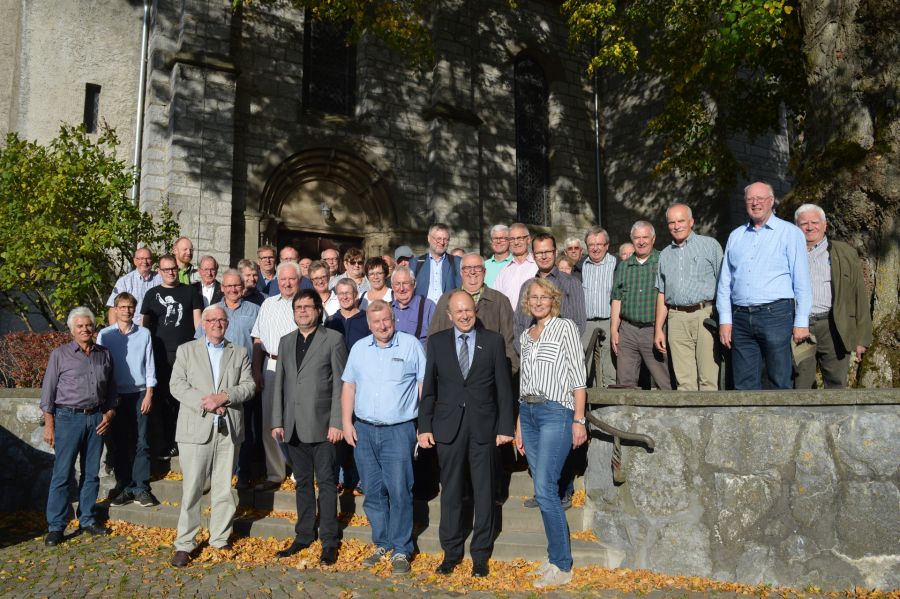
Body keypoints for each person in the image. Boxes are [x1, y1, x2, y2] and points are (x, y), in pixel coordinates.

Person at [418, 291, 515, 578]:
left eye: (468, 311)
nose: (464, 315)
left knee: (484, 492)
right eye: (458, 311)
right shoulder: (437, 343)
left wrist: (505, 428)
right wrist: (425, 426)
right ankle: (451, 551)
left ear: (475, 311)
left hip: (483, 428)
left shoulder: (493, 342)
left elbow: (504, 390)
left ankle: (481, 554)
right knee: (451, 492)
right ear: (449, 315)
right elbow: (429, 389)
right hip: (448, 428)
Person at [341, 300, 426, 574]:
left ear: (394, 319)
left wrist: (423, 424)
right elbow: (349, 387)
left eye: (386, 320)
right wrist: (346, 422)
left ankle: (402, 548)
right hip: (364, 430)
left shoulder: (411, 345)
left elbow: (424, 386)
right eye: (376, 322)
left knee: (400, 490)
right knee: (373, 492)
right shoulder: (359, 349)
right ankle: (383, 542)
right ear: (369, 324)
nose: (382, 326)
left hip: (398, 430)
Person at [169, 305, 256, 567]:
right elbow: (177, 385)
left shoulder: (239, 352)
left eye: (222, 320)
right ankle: (185, 543)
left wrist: (225, 397)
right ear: (203, 324)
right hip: (196, 427)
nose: (218, 324)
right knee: (193, 488)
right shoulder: (187, 350)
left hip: (228, 429)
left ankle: (220, 537)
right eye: (212, 320)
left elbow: (249, 386)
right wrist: (206, 401)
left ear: (227, 324)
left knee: (223, 488)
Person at [514, 279, 588, 588]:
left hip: (556, 411)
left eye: (544, 297)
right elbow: (524, 382)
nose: (539, 301)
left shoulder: (566, 328)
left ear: (553, 300)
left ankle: (563, 566)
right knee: (542, 487)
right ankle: (553, 556)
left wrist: (579, 420)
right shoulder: (525, 336)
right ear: (526, 301)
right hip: (528, 414)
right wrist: (519, 424)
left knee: (545, 488)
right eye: (534, 297)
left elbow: (578, 377)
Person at [271, 290, 348, 565]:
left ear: (318, 310)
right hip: (292, 427)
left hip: (324, 426)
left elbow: (341, 383)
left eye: (307, 307)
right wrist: (277, 420)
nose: (302, 311)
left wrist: (338, 422)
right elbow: (279, 383)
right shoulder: (286, 341)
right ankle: (304, 535)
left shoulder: (334, 340)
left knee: (326, 483)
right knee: (303, 483)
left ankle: (329, 540)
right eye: (298, 307)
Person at [716, 182, 811, 390]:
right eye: (750, 199)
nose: (755, 203)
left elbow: (802, 280)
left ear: (771, 201)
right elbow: (725, 283)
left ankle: (781, 422)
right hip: (740, 317)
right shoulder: (736, 236)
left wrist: (801, 321)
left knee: (779, 378)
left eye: (760, 198)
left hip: (776, 314)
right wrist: (725, 320)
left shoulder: (790, 233)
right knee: (743, 383)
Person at [41, 307, 117, 547]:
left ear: (94, 328)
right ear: (72, 330)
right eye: (80, 326)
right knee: (62, 474)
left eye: (88, 325)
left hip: (96, 419)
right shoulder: (60, 355)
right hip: (67, 419)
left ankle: (87, 519)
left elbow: (112, 390)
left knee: (91, 474)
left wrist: (110, 413)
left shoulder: (104, 354)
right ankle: (56, 526)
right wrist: (49, 425)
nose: (85, 329)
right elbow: (48, 393)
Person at [793, 204, 873, 388]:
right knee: (801, 384)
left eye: (815, 222)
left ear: (825, 225)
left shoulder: (844, 252)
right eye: (804, 223)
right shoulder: (789, 252)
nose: (810, 227)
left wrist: (861, 338)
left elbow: (858, 295)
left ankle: (836, 418)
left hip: (834, 326)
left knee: (836, 383)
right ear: (796, 227)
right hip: (800, 327)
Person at [196, 269, 261, 489]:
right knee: (213, 427)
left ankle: (242, 474)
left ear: (242, 288)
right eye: (229, 285)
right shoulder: (212, 311)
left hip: (243, 378)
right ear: (222, 288)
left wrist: (258, 372)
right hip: (214, 379)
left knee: (244, 430)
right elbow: (199, 342)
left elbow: (259, 343)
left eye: (237, 285)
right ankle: (210, 475)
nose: (233, 289)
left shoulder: (254, 310)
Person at [653, 204, 723, 391]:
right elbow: (662, 292)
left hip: (705, 314)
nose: (676, 226)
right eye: (672, 222)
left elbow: (724, 284)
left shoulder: (710, 246)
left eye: (681, 221)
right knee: (684, 382)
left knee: (708, 378)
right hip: (676, 318)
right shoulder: (665, 254)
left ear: (691, 222)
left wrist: (725, 320)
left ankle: (709, 420)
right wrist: (659, 328)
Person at [99, 293, 159, 508]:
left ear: (135, 309)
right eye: (122, 307)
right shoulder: (105, 335)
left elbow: (150, 364)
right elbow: (100, 366)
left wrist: (150, 393)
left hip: (140, 392)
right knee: (121, 442)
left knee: (141, 441)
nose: (126, 311)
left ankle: (141, 488)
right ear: (115, 309)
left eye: (130, 307)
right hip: (116, 395)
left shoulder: (144, 334)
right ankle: (125, 486)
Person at [141, 254, 203, 458]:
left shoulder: (190, 292)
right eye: (166, 269)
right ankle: (162, 443)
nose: (171, 272)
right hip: (159, 355)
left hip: (184, 355)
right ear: (159, 272)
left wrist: (200, 350)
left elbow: (198, 325)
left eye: (173, 269)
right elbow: (144, 326)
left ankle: (181, 441)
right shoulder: (152, 294)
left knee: (183, 399)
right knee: (161, 400)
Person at [250, 261, 302, 490]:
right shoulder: (268, 304)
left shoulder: (306, 304)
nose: (287, 283)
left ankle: (300, 470)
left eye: (292, 279)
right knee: (270, 422)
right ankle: (275, 472)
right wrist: (256, 369)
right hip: (270, 365)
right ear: (277, 281)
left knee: (297, 420)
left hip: (298, 369)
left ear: (299, 281)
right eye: (283, 279)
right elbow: (258, 340)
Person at [428, 253, 518, 374]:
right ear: (461, 273)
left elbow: (510, 343)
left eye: (477, 268)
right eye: (467, 268)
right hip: (451, 377)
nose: (472, 272)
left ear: (485, 272)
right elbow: (433, 339)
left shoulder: (499, 301)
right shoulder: (446, 299)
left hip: (488, 379)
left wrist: (506, 376)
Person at [610, 222, 672, 389]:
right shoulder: (624, 266)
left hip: (653, 329)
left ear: (653, 239)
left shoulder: (663, 260)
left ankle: (667, 413)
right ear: (632, 240)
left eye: (645, 237)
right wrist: (614, 329)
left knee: (663, 380)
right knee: (625, 382)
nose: (641, 241)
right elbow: (617, 298)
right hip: (628, 331)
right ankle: (627, 415)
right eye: (637, 238)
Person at [514, 234, 586, 351]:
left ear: (555, 252)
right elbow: (518, 324)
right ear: (533, 255)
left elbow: (579, 323)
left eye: (548, 251)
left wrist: (557, 351)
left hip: (560, 355)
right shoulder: (527, 286)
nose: (543, 256)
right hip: (530, 356)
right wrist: (524, 351)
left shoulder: (571, 282)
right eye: (539, 253)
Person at [581, 227, 618, 389]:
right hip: (587, 323)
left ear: (607, 245)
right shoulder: (580, 266)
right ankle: (590, 404)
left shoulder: (617, 264)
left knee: (609, 363)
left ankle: (609, 405)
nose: (595, 248)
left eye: (599, 244)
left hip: (609, 321)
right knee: (586, 363)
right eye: (591, 245)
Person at [105, 247, 161, 325]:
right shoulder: (124, 281)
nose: (145, 262)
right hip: (132, 330)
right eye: (141, 258)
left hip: (157, 328)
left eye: (148, 258)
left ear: (152, 261)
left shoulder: (160, 279)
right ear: (135, 261)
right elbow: (113, 308)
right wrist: (114, 333)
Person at [408, 223, 463, 303]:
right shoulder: (416, 263)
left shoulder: (457, 262)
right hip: (423, 312)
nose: (442, 242)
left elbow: (461, 290)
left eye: (446, 239)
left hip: (446, 312)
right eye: (438, 239)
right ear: (429, 238)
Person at [494, 223, 538, 309]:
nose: (516, 242)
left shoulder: (537, 266)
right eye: (512, 239)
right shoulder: (504, 271)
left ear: (528, 239)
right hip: (508, 320)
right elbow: (496, 299)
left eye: (520, 238)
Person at [390, 265, 435, 347]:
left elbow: (437, 339)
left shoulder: (428, 307)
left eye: (405, 283)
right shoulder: (387, 308)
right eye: (397, 284)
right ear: (392, 287)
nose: (401, 288)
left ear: (414, 284)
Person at [326, 278, 370, 350]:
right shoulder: (331, 321)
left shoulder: (367, 319)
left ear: (355, 295)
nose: (344, 297)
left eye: (348, 293)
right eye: (341, 293)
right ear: (337, 296)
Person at [484, 224, 512, 288]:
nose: (498, 241)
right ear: (491, 241)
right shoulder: (484, 265)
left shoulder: (515, 263)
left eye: (502, 238)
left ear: (509, 241)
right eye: (495, 238)